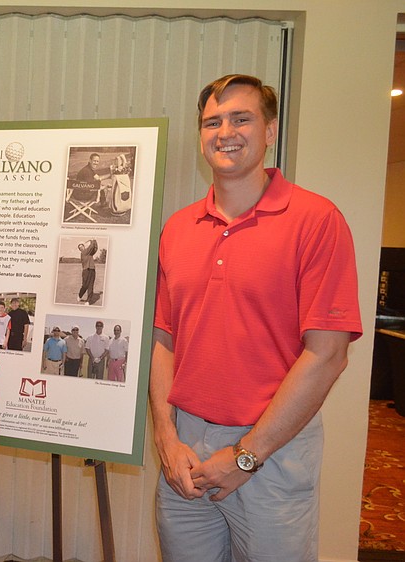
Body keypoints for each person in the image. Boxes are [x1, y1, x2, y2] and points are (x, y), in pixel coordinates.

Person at [150, 74, 363, 562]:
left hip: (273, 454)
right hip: (186, 450)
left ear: (270, 131)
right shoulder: (179, 228)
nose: (225, 131)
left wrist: (247, 454)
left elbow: (327, 355)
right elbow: (165, 341)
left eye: (241, 118)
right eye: (212, 121)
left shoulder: (316, 220)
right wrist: (166, 436)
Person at [78, 239, 98, 304]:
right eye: (80, 247)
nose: (81, 247)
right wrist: (92, 241)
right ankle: (80, 295)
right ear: (80, 249)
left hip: (92, 270)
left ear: (84, 246)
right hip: (86, 271)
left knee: (90, 286)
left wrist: (95, 242)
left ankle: (88, 301)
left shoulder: (89, 253)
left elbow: (95, 248)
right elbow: (91, 247)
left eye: (82, 246)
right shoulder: (84, 253)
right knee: (85, 286)